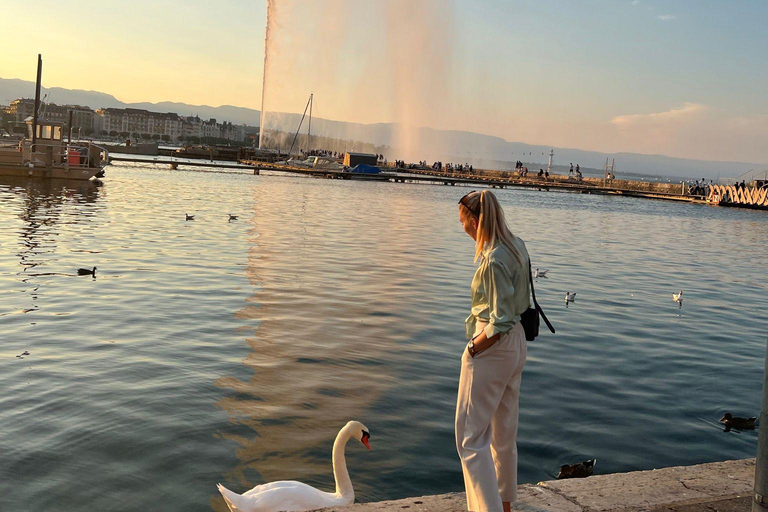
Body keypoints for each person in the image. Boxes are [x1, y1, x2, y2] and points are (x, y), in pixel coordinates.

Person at [456, 190, 531, 512]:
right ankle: (504, 507)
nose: (462, 228)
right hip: (516, 343)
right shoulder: (517, 245)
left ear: (475, 221)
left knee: (470, 439)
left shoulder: (494, 259)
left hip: (493, 346)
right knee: (503, 436)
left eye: (463, 221)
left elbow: (498, 320)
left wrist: (473, 348)